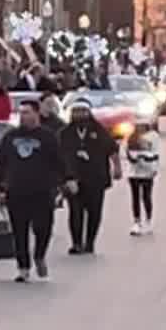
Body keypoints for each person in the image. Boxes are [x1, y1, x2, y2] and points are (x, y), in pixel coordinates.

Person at [0, 99, 66, 282]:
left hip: (42, 190)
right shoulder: (10, 137)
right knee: (19, 231)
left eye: (27, 112)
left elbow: (59, 162)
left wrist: (65, 181)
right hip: (17, 190)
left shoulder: (48, 137)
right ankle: (23, 267)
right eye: (21, 113)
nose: (23, 116)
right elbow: (0, 162)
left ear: (36, 114)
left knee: (43, 228)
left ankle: (39, 255)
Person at [61, 99, 121, 255]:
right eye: (76, 112)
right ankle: (76, 243)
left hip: (96, 178)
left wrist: (117, 167)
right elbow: (56, 156)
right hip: (73, 179)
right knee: (75, 211)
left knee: (94, 212)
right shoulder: (64, 133)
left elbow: (112, 149)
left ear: (88, 113)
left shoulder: (99, 131)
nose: (79, 115)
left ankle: (90, 242)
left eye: (82, 111)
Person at [123, 126, 161, 235]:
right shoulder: (130, 135)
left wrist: (154, 168)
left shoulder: (153, 136)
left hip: (148, 171)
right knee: (135, 197)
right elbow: (126, 152)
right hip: (133, 172)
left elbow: (156, 154)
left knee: (146, 196)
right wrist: (133, 159)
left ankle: (148, 221)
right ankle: (137, 222)